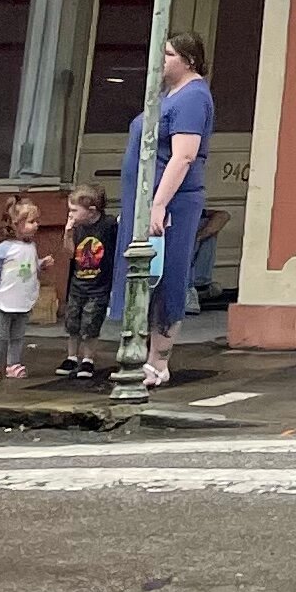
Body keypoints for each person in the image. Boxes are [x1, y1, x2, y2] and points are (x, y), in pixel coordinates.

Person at [114, 32, 215, 388]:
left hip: (171, 203)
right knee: (142, 273)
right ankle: (139, 351)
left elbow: (183, 155)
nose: (160, 60)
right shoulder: (167, 94)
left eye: (168, 54)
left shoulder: (192, 98)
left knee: (164, 274)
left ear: (188, 60)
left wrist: (158, 203)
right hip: (145, 202)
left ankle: (158, 360)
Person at [0, 195, 41, 382]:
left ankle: (13, 364)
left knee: (18, 334)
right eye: (31, 221)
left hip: (23, 298)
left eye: (37, 221)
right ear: (16, 224)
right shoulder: (4, 248)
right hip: (4, 298)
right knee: (0, 334)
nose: (36, 225)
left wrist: (41, 264)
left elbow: (30, 266)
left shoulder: (32, 247)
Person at [54, 180, 113, 383]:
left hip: (99, 285)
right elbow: (71, 254)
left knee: (91, 323)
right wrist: (68, 233)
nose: (71, 214)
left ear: (91, 211)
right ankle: (71, 356)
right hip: (78, 283)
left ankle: (88, 358)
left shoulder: (108, 226)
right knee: (73, 322)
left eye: (74, 210)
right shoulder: (77, 228)